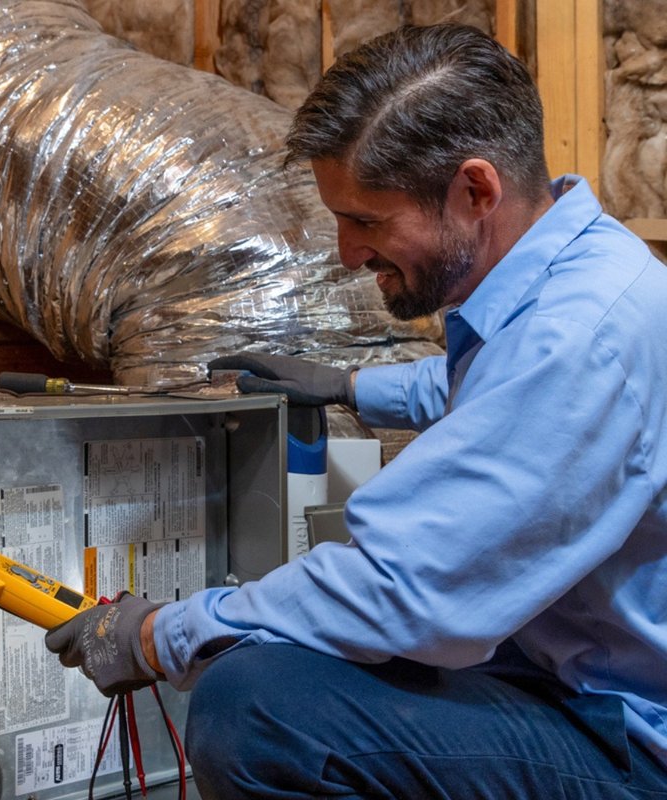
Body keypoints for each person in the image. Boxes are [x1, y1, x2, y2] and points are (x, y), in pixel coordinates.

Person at [45, 23, 667, 798]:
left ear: (476, 192)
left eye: (367, 221)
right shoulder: (585, 275)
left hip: (630, 742)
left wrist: (157, 635)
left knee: (260, 710)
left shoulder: (580, 341)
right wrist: (345, 385)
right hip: (567, 678)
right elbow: (490, 390)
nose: (346, 253)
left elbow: (401, 585)